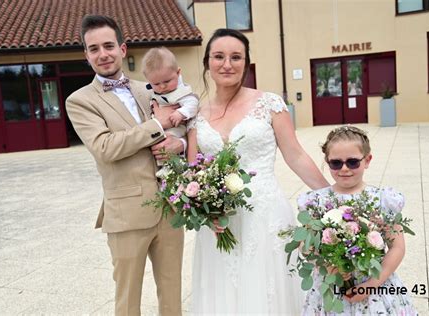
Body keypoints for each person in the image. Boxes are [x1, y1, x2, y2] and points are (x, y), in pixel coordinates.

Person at [186, 28, 330, 314]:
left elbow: (296, 155)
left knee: (269, 292)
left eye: (236, 57)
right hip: (218, 223)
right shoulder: (196, 114)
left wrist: (331, 196)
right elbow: (193, 172)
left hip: (264, 216)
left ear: (246, 63)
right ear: (207, 63)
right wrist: (203, 209)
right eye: (219, 56)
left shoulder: (269, 104)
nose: (227, 64)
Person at [66, 15, 185, 316]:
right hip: (126, 214)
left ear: (122, 48)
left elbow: (180, 128)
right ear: (86, 55)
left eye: (108, 45)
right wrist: (158, 124)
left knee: (172, 293)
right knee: (127, 299)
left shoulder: (149, 88)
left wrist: (178, 146)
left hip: (170, 207)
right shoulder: (79, 101)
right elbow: (106, 147)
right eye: (94, 49)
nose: (102, 54)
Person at [298, 125, 417, 315]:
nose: (344, 169)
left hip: (373, 285)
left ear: (367, 160)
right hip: (332, 285)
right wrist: (324, 263)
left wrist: (370, 285)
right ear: (327, 161)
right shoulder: (316, 202)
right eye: (336, 163)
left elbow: (397, 247)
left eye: (352, 162)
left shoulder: (381, 200)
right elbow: (305, 245)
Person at [142, 47, 198, 174]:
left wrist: (181, 113)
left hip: (177, 128)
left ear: (178, 73)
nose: (162, 87)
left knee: (168, 144)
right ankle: (165, 168)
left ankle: (172, 168)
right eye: (156, 84)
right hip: (160, 130)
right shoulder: (150, 93)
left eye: (167, 81)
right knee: (159, 145)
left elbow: (192, 103)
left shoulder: (182, 91)